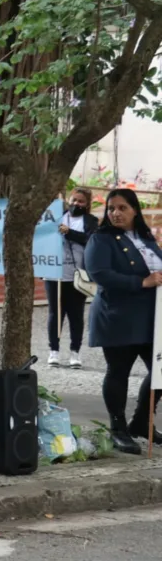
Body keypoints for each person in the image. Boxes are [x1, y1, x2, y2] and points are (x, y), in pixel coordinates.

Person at [85, 188, 162, 454]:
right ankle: (118, 428)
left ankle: (142, 421)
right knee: (119, 371)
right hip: (118, 316)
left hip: (151, 317)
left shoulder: (145, 236)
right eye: (111, 208)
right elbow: (99, 273)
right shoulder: (101, 239)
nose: (115, 213)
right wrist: (141, 281)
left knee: (160, 370)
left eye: (122, 208)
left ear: (135, 210)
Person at [46, 187, 98, 368]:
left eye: (81, 201)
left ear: (87, 204)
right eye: (73, 200)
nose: (76, 204)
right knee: (55, 313)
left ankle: (75, 352)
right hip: (55, 274)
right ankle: (54, 350)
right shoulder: (57, 216)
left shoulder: (91, 221)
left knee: (76, 315)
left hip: (78, 276)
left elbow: (91, 240)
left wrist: (69, 232)